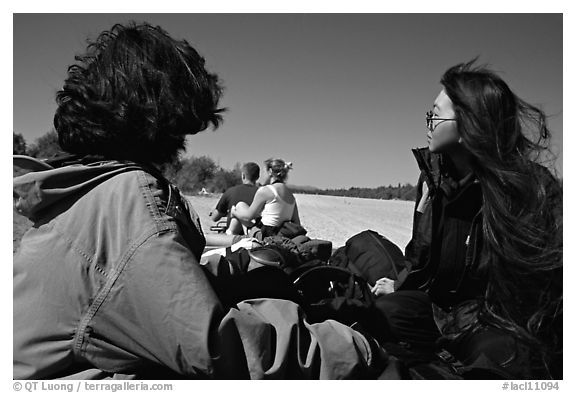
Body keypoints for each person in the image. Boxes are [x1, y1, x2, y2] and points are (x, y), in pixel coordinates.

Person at [13, 22, 384, 380]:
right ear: (158, 116)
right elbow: (219, 349)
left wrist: (237, 267)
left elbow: (146, 287)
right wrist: (358, 346)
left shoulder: (89, 189)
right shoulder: (125, 197)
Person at [369, 60, 562, 379]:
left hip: (496, 321)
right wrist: (399, 284)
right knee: (383, 313)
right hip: (441, 312)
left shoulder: (531, 189)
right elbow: (422, 253)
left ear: (471, 123)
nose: (428, 123)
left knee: (500, 359)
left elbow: (548, 286)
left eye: (436, 114)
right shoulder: (433, 179)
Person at [232, 158, 301, 239]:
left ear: (270, 172)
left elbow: (248, 217)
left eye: (264, 172)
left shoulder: (266, 190)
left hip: (265, 234)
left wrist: (234, 212)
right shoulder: (291, 195)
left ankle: (230, 233)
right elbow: (296, 223)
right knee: (243, 207)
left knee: (240, 205)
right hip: (282, 235)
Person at [209, 162, 260, 235]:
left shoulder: (230, 192)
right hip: (254, 234)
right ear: (258, 177)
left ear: (243, 176)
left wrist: (219, 210)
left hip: (233, 237)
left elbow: (214, 218)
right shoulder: (262, 193)